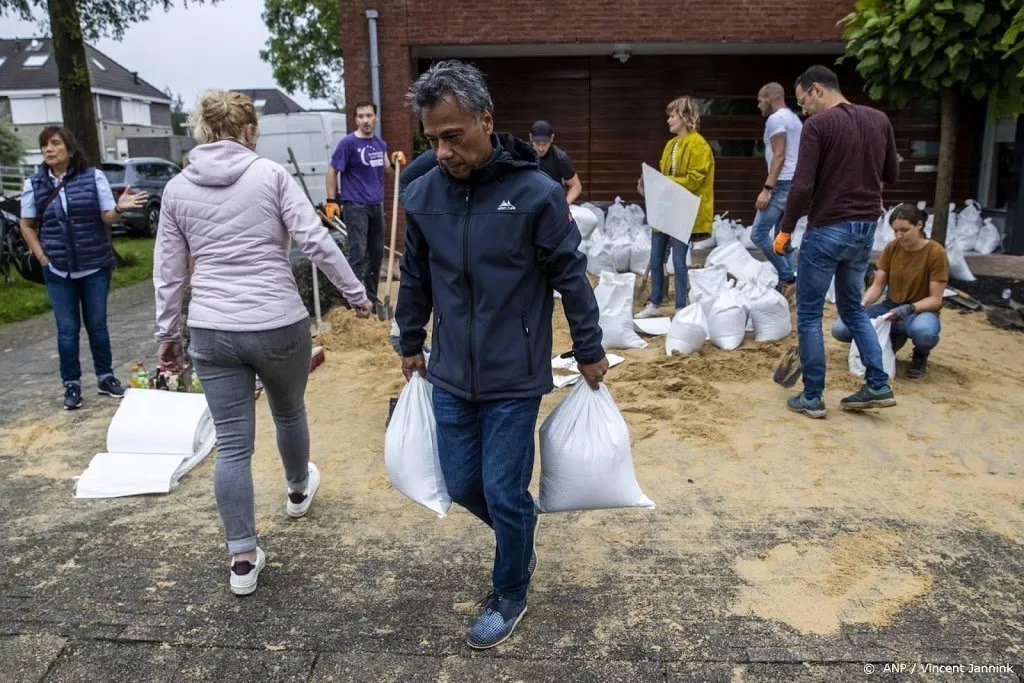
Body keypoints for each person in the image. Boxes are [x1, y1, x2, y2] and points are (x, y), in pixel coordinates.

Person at [396, 60, 608, 649]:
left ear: (485, 119)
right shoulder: (423, 192)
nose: (441, 152)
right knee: (465, 484)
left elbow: (571, 275)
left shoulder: (535, 193)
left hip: (515, 374)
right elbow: (415, 274)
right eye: (431, 139)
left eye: (452, 136)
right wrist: (409, 339)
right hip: (450, 372)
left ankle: (510, 588)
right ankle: (521, 534)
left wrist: (588, 349)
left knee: (503, 490)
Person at [153, 90, 373, 596]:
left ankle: (243, 558)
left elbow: (168, 272)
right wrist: (356, 294)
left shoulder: (177, 189)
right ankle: (298, 490)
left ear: (203, 132)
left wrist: (168, 334)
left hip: (211, 325)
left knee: (232, 444)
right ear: (251, 130)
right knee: (289, 411)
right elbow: (316, 239)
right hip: (276, 321)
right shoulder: (271, 175)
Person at [775, 65, 900, 418]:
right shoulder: (879, 120)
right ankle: (877, 384)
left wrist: (785, 229)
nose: (803, 111)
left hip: (828, 226)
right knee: (853, 309)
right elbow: (891, 173)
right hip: (865, 228)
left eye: (802, 102)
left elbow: (801, 185)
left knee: (810, 315)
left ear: (816, 89)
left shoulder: (819, 126)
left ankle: (812, 396)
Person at [19, 126, 147, 410]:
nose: (49, 150)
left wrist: (121, 208)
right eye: (44, 146)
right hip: (57, 269)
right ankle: (71, 384)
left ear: (70, 148)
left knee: (97, 325)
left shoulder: (93, 177)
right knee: (66, 329)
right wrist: (41, 257)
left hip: (94, 266)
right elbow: (27, 225)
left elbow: (107, 218)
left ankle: (105, 377)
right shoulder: (35, 184)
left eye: (54, 143)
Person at [832, 204, 946, 378]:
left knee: (925, 332)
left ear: (919, 225)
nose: (899, 235)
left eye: (904, 230)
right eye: (895, 231)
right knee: (841, 328)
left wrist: (909, 308)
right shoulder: (892, 248)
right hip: (890, 306)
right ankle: (891, 339)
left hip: (919, 310)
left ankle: (920, 355)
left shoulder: (935, 253)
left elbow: (936, 299)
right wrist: (862, 305)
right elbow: (878, 286)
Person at [635, 96, 715, 318]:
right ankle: (655, 303)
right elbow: (666, 178)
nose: (668, 120)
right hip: (665, 208)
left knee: (678, 259)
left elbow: (695, 179)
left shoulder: (699, 145)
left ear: (685, 116)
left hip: (684, 210)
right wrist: (649, 185)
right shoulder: (670, 144)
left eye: (672, 116)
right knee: (656, 257)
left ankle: (681, 305)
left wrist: (662, 183)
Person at [324, 101, 406, 305]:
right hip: (355, 205)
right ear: (355, 119)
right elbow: (333, 170)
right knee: (357, 253)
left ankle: (370, 297)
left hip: (376, 205)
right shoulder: (348, 144)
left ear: (375, 118)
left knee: (377, 253)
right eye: (361, 116)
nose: (365, 120)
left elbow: (388, 169)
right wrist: (332, 200)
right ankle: (352, 300)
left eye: (369, 115)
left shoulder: (379, 144)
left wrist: (397, 160)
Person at [753, 82, 801, 292]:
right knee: (782, 235)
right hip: (794, 181)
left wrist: (767, 188)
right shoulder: (794, 118)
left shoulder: (776, 119)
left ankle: (788, 277)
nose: (758, 105)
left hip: (782, 183)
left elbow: (779, 154)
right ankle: (787, 287)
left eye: (760, 100)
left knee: (758, 233)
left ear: (770, 98)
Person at [529, 121, 582, 204]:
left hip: (552, 202)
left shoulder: (560, 158)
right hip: (528, 201)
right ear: (531, 137)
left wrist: (565, 205)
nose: (541, 148)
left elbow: (576, 186)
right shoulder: (521, 154)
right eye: (537, 143)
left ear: (552, 138)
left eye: (545, 144)